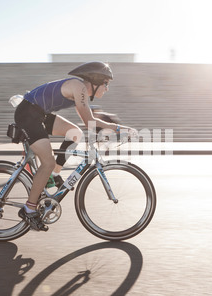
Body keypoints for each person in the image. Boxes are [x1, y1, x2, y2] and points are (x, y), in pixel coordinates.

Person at [14, 61, 137, 231]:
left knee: (74, 133)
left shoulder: (81, 91)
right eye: (106, 84)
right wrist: (120, 129)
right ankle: (29, 209)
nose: (107, 89)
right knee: (47, 162)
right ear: (94, 81)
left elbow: (89, 123)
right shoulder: (78, 87)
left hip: (39, 113)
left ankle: (53, 174)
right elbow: (90, 121)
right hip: (28, 114)